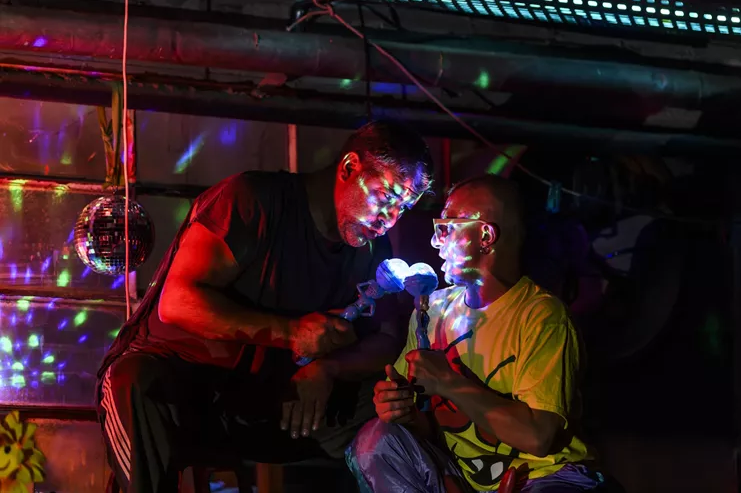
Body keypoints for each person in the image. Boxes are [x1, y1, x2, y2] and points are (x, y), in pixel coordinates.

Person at [97, 121, 434, 492]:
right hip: (180, 388)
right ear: (349, 167)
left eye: (403, 208)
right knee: (136, 382)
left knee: (392, 402)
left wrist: (329, 368)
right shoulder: (253, 199)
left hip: (268, 401)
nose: (390, 219)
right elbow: (177, 302)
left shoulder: (373, 249)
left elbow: (387, 340)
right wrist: (291, 333)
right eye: (385, 197)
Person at [346, 174, 609, 492]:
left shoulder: (541, 317)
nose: (436, 242)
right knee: (376, 441)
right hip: (465, 479)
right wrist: (400, 409)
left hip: (545, 477)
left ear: (485, 235)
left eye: (446, 228)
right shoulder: (432, 310)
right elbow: (429, 425)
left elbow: (538, 437)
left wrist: (449, 382)